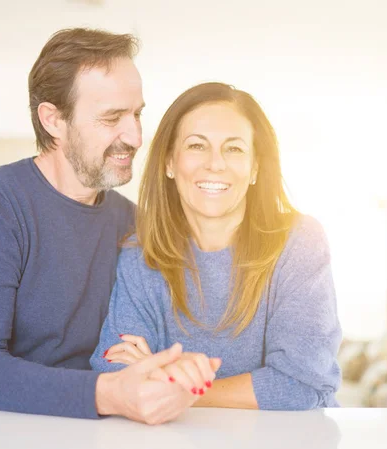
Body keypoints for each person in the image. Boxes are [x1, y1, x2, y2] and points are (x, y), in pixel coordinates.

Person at [0, 28, 219, 425]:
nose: (136, 136)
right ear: (53, 120)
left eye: (137, 113)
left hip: (63, 427)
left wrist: (149, 367)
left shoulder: (132, 222)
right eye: (111, 118)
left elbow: (124, 346)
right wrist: (110, 393)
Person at [90, 82, 342, 410]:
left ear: (254, 168)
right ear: (169, 162)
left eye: (234, 149)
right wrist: (156, 381)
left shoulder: (299, 241)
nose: (215, 164)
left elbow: (300, 383)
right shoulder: (141, 253)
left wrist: (175, 385)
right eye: (197, 146)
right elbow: (114, 367)